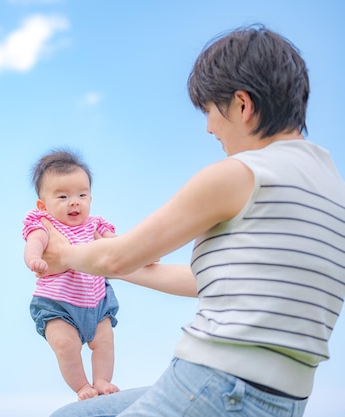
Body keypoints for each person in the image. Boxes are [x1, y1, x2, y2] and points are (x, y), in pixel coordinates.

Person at [43, 24, 345, 417]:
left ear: (242, 104)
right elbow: (206, 280)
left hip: (217, 385)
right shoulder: (328, 185)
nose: (208, 127)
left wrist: (64, 256)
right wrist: (115, 271)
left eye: (209, 110)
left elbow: (115, 257)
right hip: (281, 399)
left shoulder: (239, 174)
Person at [23, 149, 120, 400]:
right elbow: (34, 242)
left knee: (105, 341)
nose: (74, 201)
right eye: (63, 196)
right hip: (58, 305)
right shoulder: (45, 223)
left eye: (81, 195)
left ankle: (101, 380)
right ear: (43, 205)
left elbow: (119, 245)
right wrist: (33, 258)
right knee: (66, 346)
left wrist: (143, 254)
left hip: (97, 301)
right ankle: (82, 386)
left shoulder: (95, 224)